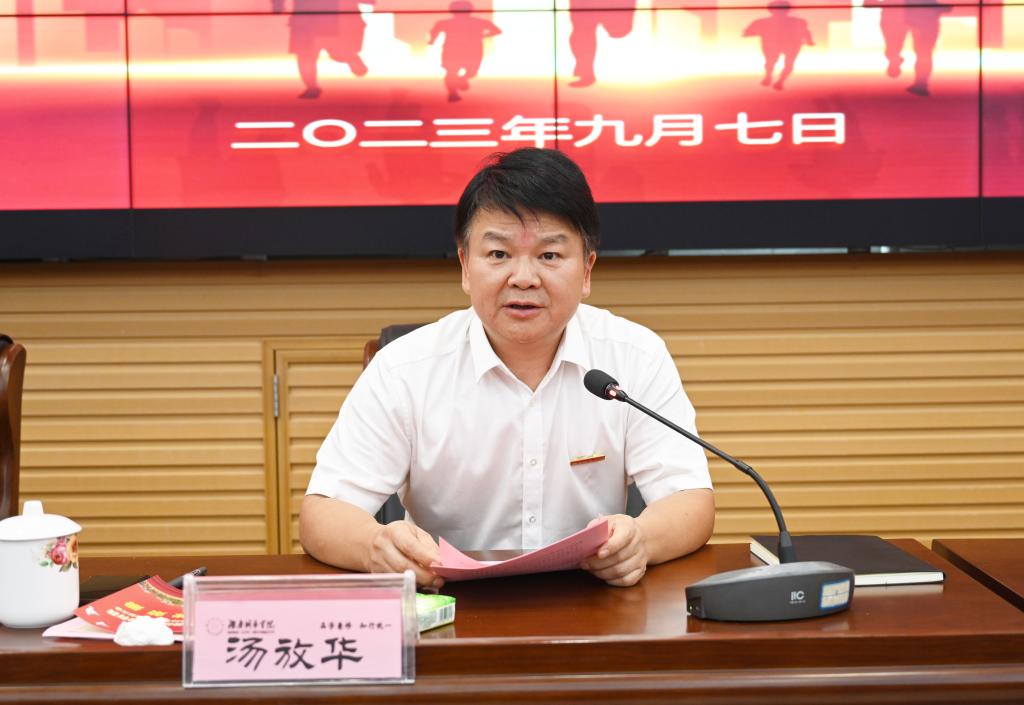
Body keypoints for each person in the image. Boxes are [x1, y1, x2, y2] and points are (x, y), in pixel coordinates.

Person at [300, 148, 714, 589]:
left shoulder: (635, 356)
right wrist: (375, 545)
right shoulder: (404, 369)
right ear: (465, 266)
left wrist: (641, 541)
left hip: (594, 603)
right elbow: (323, 514)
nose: (523, 278)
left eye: (549, 256)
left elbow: (689, 499)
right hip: (447, 603)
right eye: (498, 254)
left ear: (587, 271)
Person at [428, 1, 502, 102]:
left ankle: (458, 84)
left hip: (459, 51)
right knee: (454, 72)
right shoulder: (478, 22)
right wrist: (482, 36)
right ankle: (453, 92)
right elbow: (497, 31)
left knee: (464, 72)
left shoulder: (445, 23)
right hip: (464, 51)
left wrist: (432, 41)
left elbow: (497, 31)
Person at [742, 1, 814, 91]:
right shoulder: (798, 21)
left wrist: (760, 32)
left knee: (775, 62)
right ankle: (777, 80)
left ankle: (773, 79)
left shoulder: (761, 22)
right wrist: (809, 41)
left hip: (778, 44)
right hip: (786, 44)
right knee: (783, 63)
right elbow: (806, 32)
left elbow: (747, 33)